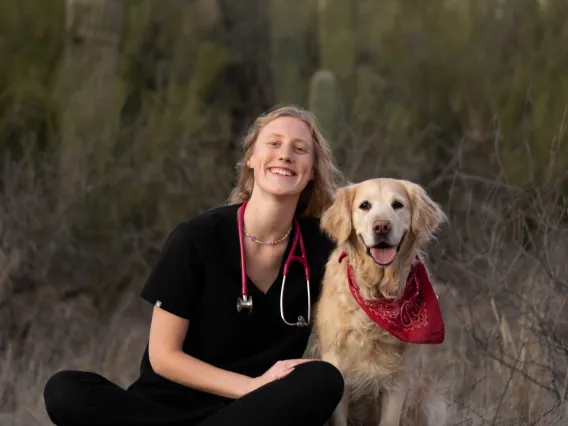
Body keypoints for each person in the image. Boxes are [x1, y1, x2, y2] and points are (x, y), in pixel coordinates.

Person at [42, 104, 346, 426]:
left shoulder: (325, 249)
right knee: (65, 389)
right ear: (251, 159)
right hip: (163, 409)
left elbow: (381, 290)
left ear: (312, 171)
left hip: (249, 416)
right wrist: (251, 386)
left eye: (299, 149)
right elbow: (164, 357)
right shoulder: (198, 238)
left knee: (323, 379)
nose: (285, 155)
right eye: (273, 143)